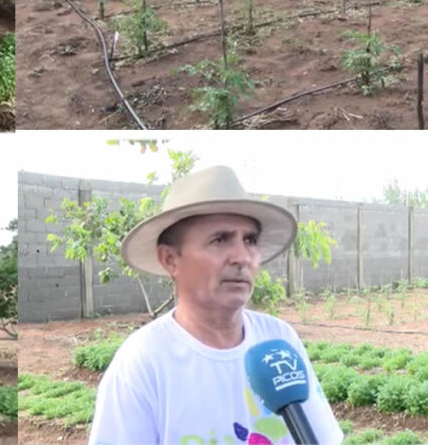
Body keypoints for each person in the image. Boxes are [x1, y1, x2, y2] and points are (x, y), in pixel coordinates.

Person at [88, 166, 344, 445]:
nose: (241, 257)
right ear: (171, 259)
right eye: (220, 240)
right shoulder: (142, 364)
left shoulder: (279, 340)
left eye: (250, 240)